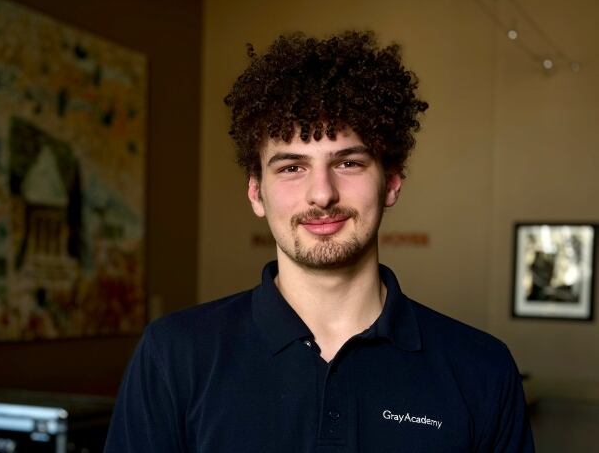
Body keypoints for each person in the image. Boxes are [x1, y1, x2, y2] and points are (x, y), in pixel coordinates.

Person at [104, 30, 534, 452]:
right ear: (256, 192)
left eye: (348, 162)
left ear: (392, 183)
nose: (322, 194)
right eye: (292, 167)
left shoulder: (483, 368)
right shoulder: (174, 355)